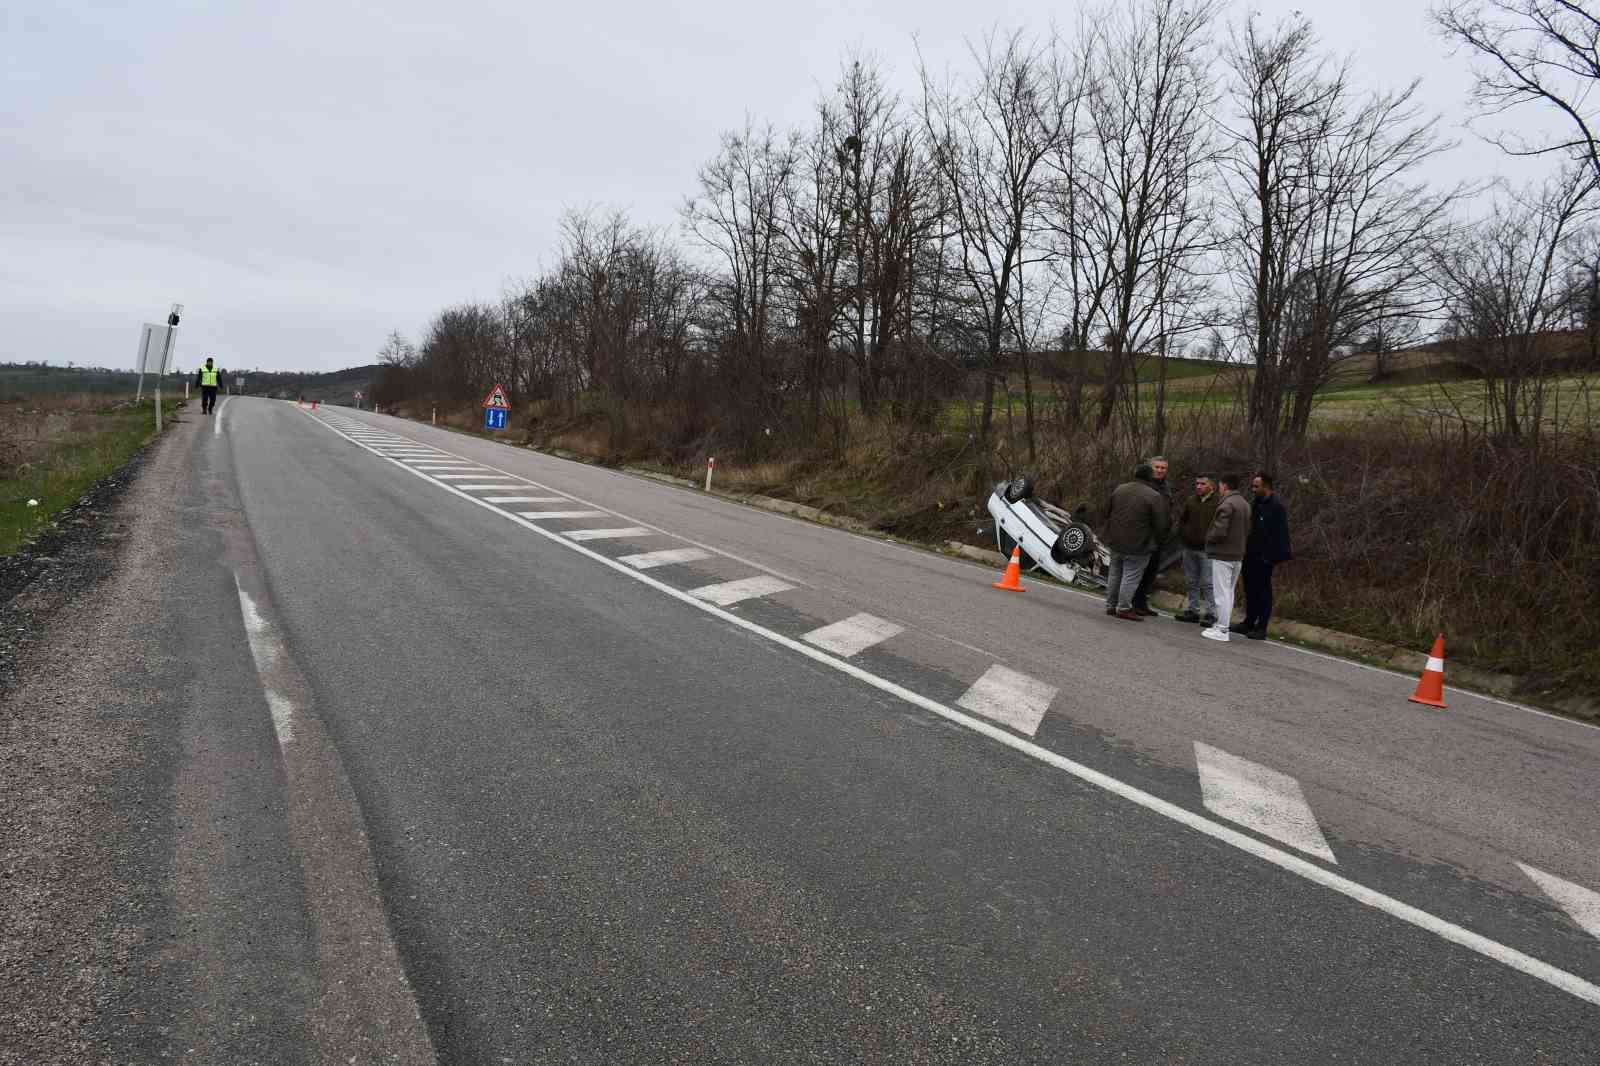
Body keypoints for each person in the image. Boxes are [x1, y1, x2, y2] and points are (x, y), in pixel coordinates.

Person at [1103, 463, 1171, 622]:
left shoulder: (1120, 489)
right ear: (1149, 477)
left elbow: (1107, 511)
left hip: (1116, 540)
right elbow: (1160, 524)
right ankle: (1124, 607)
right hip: (1139, 543)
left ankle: (1110, 605)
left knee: (1114, 573)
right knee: (1131, 575)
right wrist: (1157, 540)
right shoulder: (1154, 496)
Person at [1242, 471, 1293, 640]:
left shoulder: (1276, 506)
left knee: (1263, 590)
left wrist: (1272, 557)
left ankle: (1261, 626)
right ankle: (1249, 621)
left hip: (1266, 556)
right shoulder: (1257, 503)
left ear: (1266, 487)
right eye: (1253, 486)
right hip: (1251, 553)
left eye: (1256, 486)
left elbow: (1280, 534)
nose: (1253, 489)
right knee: (1250, 588)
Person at [1202, 473, 1250, 643]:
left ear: (1225, 486)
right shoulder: (1244, 503)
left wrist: (1208, 537)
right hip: (1238, 554)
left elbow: (1220, 530)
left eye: (1220, 486)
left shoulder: (1227, 504)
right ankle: (1222, 625)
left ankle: (1222, 629)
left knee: (1221, 593)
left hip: (1223, 554)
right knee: (1228, 592)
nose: (1220, 489)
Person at [1174, 473, 1219, 624]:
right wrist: (1183, 535)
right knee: (1191, 581)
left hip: (1207, 549)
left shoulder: (1218, 502)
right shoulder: (1191, 500)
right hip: (1189, 547)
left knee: (1208, 582)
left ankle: (1211, 613)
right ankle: (1192, 610)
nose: (1199, 486)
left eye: (1203, 484)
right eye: (1197, 484)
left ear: (1211, 486)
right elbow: (1182, 520)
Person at [1130, 455, 1172, 616]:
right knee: (1138, 571)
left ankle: (1142, 602)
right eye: (1157, 467)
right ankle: (1131, 602)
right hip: (1144, 535)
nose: (1160, 470)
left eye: (1163, 468)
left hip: (1159, 536)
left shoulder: (1166, 488)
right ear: (1150, 468)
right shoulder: (1145, 486)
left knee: (1151, 572)